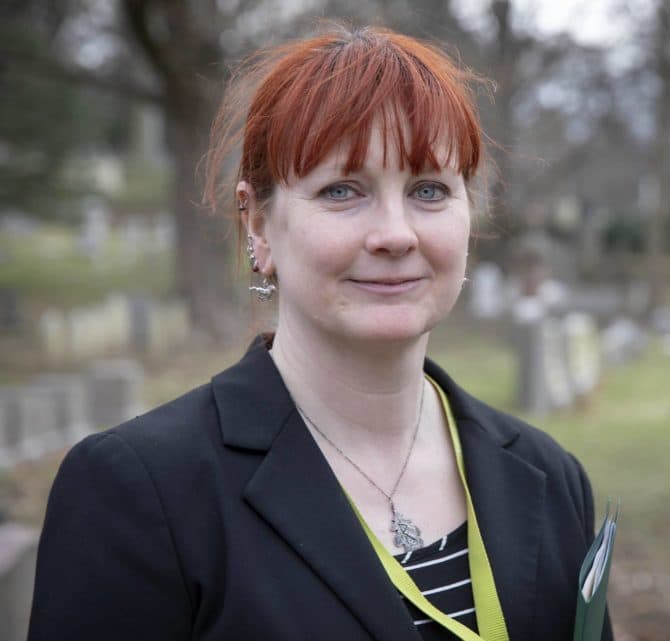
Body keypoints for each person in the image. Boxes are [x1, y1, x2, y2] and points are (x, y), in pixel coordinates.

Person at [28, 23, 612, 641]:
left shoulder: (551, 478)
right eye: (342, 190)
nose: (395, 233)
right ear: (257, 224)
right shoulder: (140, 494)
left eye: (429, 190)